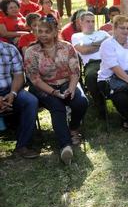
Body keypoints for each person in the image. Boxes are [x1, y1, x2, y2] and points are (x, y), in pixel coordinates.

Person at [25, 16, 88, 165]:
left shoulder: (67, 47)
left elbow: (75, 72)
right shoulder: (31, 51)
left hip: (66, 82)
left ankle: (73, 128)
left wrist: (72, 89)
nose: (43, 34)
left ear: (55, 32)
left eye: (47, 31)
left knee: (80, 101)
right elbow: (35, 79)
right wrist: (55, 93)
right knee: (57, 106)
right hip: (42, 86)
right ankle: (65, 146)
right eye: (40, 31)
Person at [0, 40, 40, 158]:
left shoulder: (10, 49)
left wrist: (12, 93)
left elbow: (19, 75)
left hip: (9, 89)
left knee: (30, 101)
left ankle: (22, 145)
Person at [71, 12, 110, 118]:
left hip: (109, 60)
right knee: (91, 75)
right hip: (92, 63)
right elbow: (84, 51)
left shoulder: (103, 33)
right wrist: (102, 43)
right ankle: (100, 105)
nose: (91, 24)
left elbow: (111, 44)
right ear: (81, 22)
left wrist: (92, 45)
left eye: (92, 21)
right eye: (88, 21)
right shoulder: (77, 36)